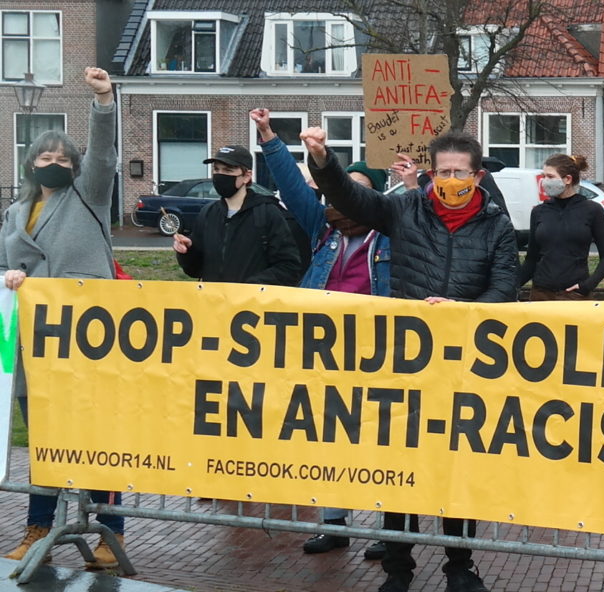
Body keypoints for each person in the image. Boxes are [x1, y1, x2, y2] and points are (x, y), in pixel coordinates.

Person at [300, 128, 518, 592]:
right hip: (407, 365)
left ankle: (460, 567)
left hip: (464, 367)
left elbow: (506, 285)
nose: (451, 180)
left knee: (456, 474)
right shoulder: (405, 209)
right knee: (401, 473)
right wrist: (322, 158)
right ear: (430, 173)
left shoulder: (497, 224)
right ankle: (398, 569)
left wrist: (465, 312)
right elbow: (354, 201)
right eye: (443, 172)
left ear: (477, 176)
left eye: (460, 173)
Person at [0, 67, 127, 570]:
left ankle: (108, 534)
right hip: (35, 343)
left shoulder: (89, 196)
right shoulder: (14, 212)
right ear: (31, 164)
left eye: (62, 159)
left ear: (75, 166)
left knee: (98, 437)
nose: (54, 163)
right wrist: (8, 274)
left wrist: (103, 101)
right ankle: (38, 527)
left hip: (87, 339)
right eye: (45, 157)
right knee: (47, 440)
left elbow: (103, 153)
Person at [250, 108, 389, 560]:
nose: (344, 200)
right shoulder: (322, 229)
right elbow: (293, 185)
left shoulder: (391, 235)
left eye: (357, 193)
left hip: (377, 350)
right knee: (330, 437)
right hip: (325, 351)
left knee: (380, 441)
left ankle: (389, 530)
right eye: (340, 191)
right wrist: (271, 136)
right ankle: (334, 522)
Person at [172, 145, 304, 286]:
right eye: (216, 169)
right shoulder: (208, 213)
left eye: (228, 170)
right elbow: (195, 270)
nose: (220, 175)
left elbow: (289, 268)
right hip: (213, 304)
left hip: (251, 305)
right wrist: (187, 251)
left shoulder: (267, 213)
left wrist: (252, 285)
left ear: (246, 176)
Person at [517, 154, 604, 300]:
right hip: (541, 295)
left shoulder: (592, 210)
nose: (544, 181)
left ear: (567, 179)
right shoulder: (539, 212)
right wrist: (511, 286)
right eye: (544, 176)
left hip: (575, 295)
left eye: (550, 176)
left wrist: (587, 286)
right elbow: (532, 258)